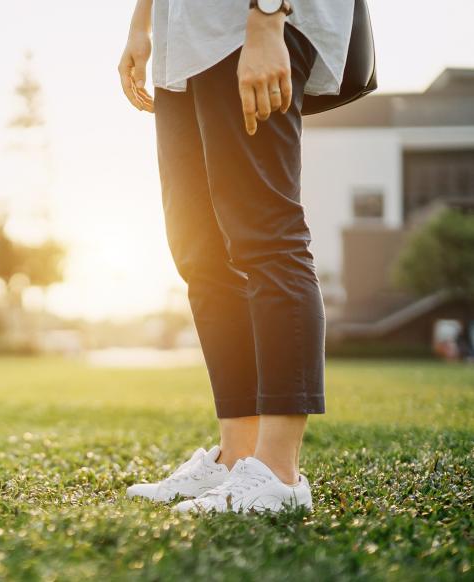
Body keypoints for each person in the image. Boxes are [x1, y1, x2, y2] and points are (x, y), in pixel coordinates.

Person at [117, 0, 353, 513]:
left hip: (248, 26)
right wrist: (142, 24)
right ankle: (237, 456)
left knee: (266, 236)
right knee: (200, 254)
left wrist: (268, 18)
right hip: (184, 43)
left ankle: (279, 474)